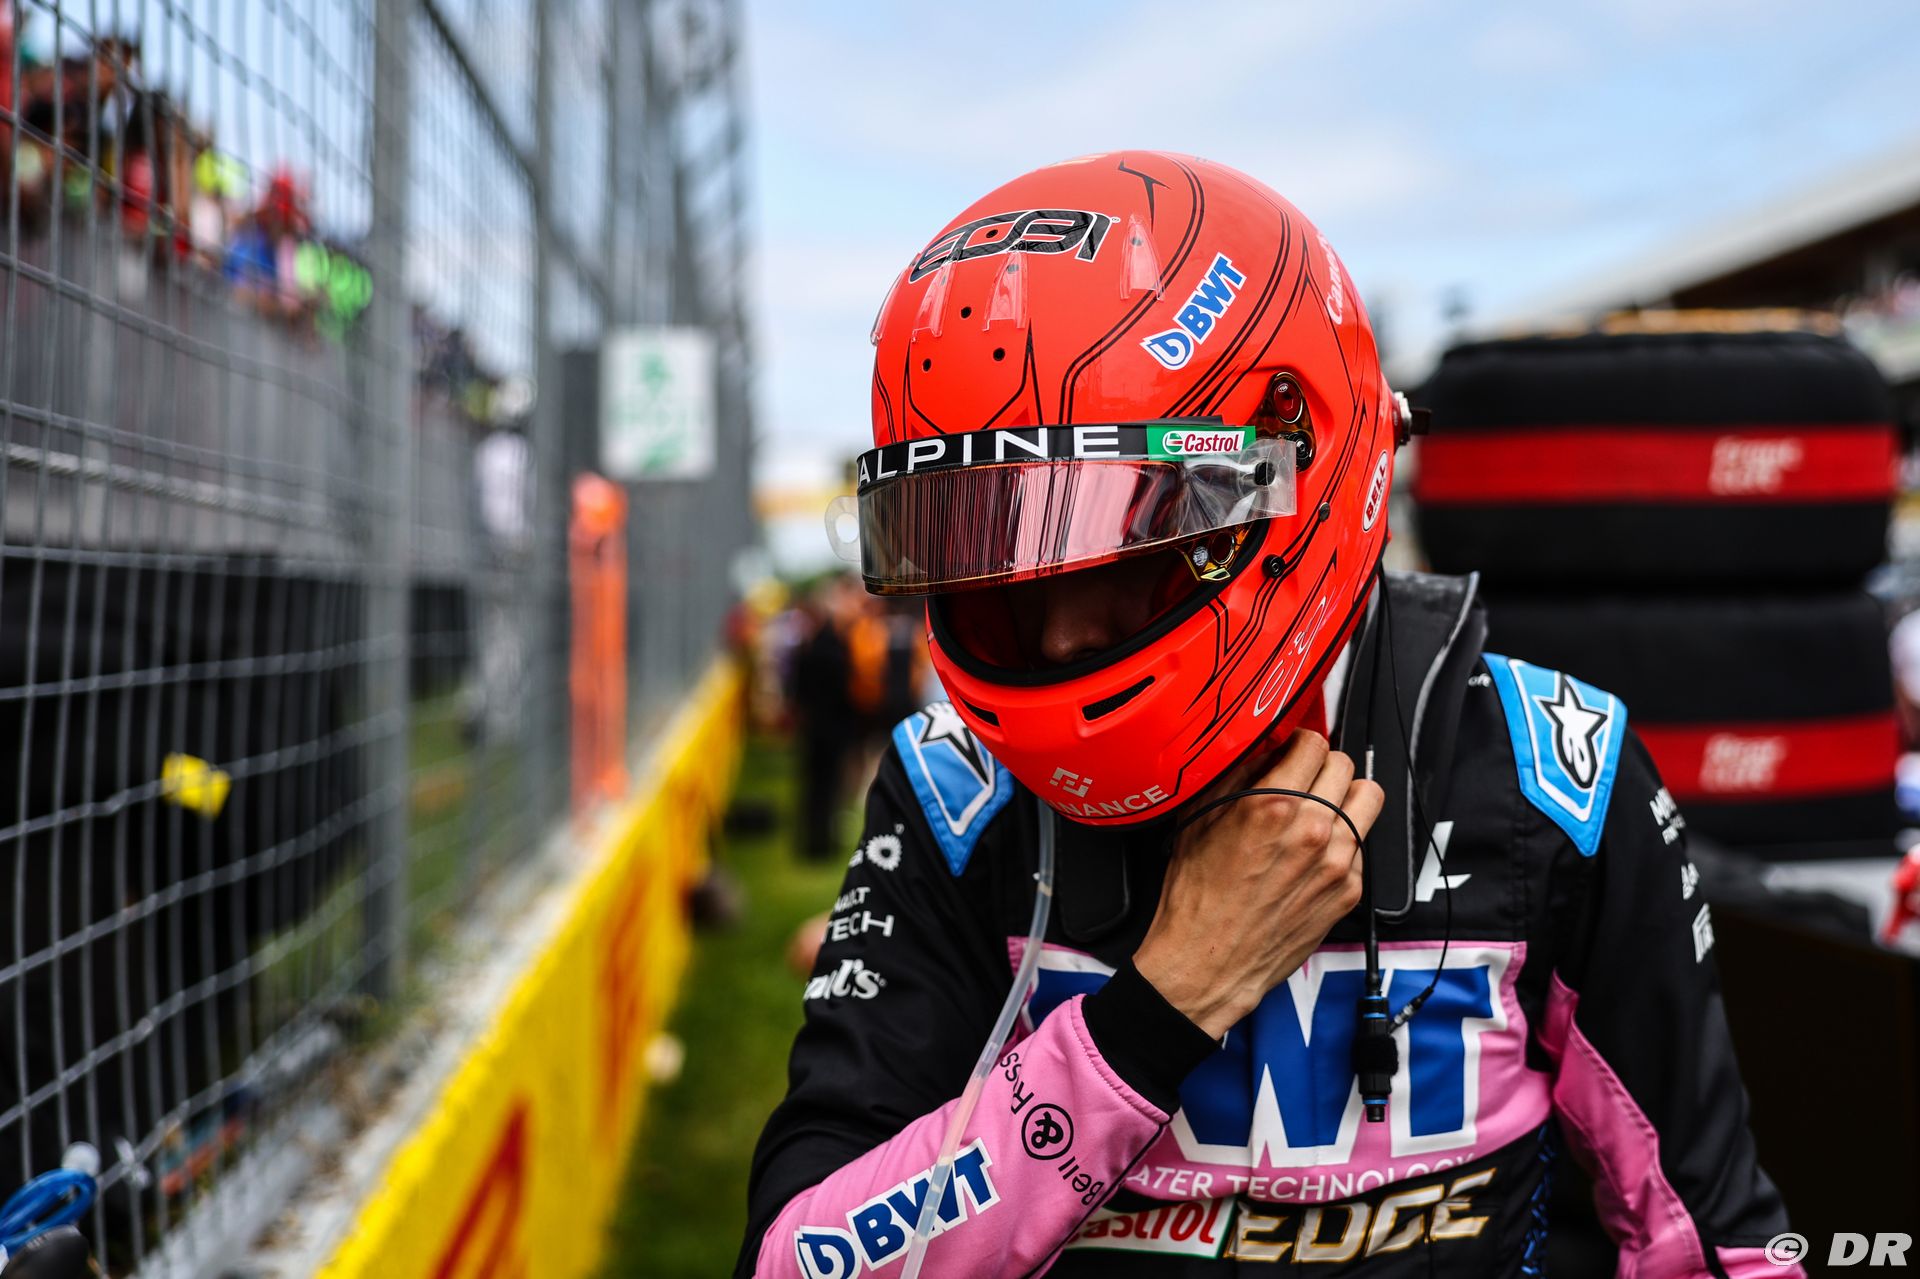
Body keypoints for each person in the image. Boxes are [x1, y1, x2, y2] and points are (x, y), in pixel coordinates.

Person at [738, 153, 1798, 1277]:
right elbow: (800, 1259)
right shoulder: (953, 790)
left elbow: (1716, 1242)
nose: (1055, 637)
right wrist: (1157, 1010)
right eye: (991, 557)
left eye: (1125, 538)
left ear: (1300, 460)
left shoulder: (1554, 771)